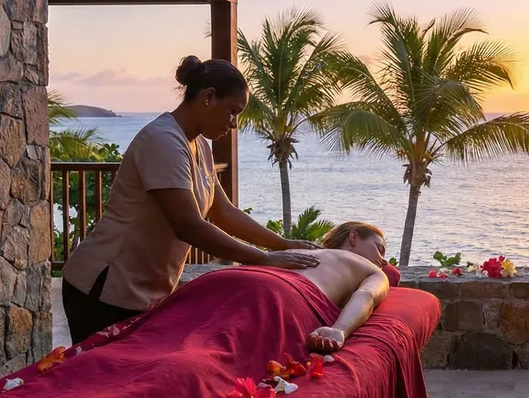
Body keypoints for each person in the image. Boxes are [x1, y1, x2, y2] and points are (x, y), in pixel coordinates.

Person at [61, 55, 320, 344]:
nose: (234, 123)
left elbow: (224, 213)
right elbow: (188, 225)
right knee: (98, 381)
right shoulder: (163, 141)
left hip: (142, 290)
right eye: (232, 111)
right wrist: (263, 258)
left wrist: (283, 244)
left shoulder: (199, 146)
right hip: (103, 286)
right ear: (208, 97)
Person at [301, 222, 393, 352]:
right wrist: (339, 330)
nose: (385, 261)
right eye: (379, 249)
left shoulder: (300, 251)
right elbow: (366, 295)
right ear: (354, 237)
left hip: (265, 276)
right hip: (298, 293)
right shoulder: (373, 271)